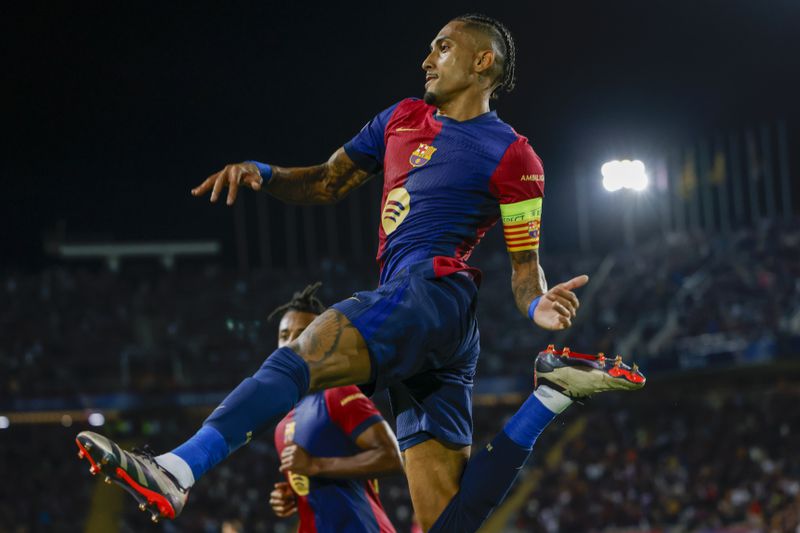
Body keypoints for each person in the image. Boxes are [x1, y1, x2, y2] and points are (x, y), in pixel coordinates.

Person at [75, 13, 645, 531]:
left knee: (301, 353)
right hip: (434, 328)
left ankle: (178, 468)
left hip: (430, 291)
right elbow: (328, 180)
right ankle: (548, 399)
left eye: (442, 47)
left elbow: (525, 267)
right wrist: (265, 173)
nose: (427, 59)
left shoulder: (515, 157)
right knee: (445, 520)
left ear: (482, 61)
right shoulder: (399, 119)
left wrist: (537, 305)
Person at [267, 283, 401, 532]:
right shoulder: (283, 422)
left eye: (303, 333)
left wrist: (315, 466)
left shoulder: (338, 393)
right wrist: (296, 495)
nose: (292, 342)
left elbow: (391, 457)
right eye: (285, 335)